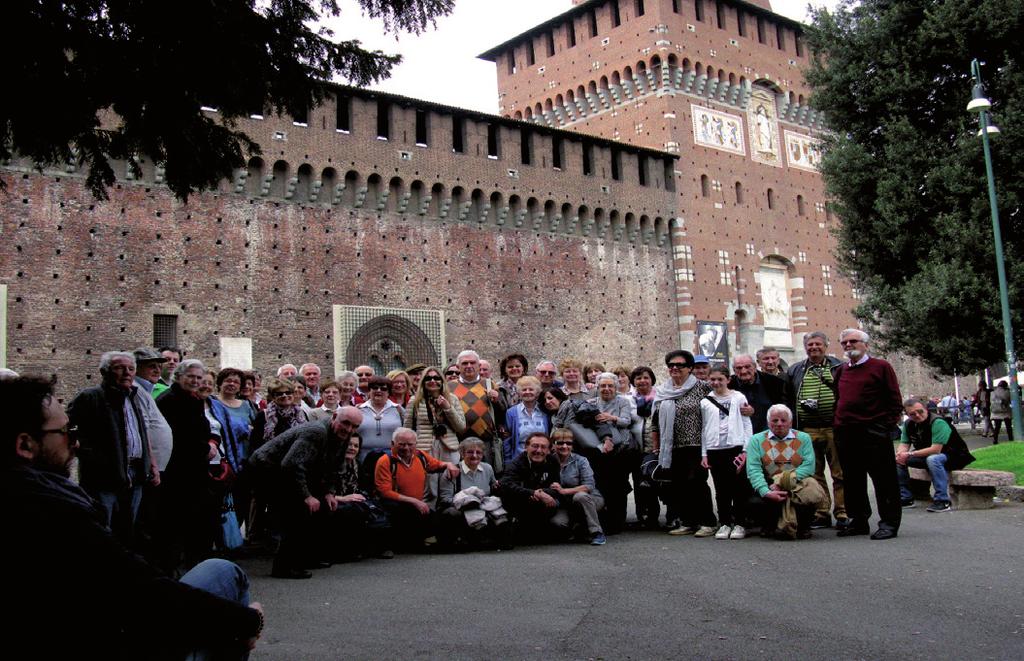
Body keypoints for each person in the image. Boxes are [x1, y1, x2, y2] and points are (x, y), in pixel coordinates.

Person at [3, 376, 265, 658]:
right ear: (25, 445)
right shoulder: (48, 508)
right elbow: (138, 587)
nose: (75, 443)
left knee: (217, 574)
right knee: (227, 576)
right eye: (67, 431)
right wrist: (247, 621)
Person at [249, 406, 363, 578]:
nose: (349, 429)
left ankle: (307, 558)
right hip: (267, 468)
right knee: (297, 512)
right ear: (334, 417)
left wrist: (329, 493)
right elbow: (291, 465)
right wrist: (307, 496)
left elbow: (334, 467)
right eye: (345, 423)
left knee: (323, 508)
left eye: (354, 426)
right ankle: (284, 567)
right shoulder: (316, 432)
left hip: (294, 470)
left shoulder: (343, 435)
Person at [68, 351, 158, 545]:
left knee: (127, 530)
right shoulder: (90, 397)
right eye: (119, 368)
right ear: (105, 372)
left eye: (131, 369)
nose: (127, 373)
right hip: (103, 477)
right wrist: (87, 452)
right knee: (101, 529)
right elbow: (69, 426)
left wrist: (150, 465)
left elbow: (141, 433)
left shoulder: (133, 397)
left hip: (135, 475)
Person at [833, 328, 904, 541]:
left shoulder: (881, 367)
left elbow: (894, 399)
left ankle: (889, 523)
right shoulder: (841, 370)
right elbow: (839, 398)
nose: (848, 346)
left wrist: (885, 426)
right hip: (846, 432)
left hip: (873, 432)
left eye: (853, 341)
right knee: (852, 480)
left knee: (884, 480)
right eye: (844, 343)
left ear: (865, 344)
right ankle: (859, 520)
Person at [651, 350, 717, 537]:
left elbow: (719, 406)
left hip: (696, 444)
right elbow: (655, 422)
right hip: (672, 446)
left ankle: (708, 522)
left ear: (690, 368)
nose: (674, 368)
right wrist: (657, 446)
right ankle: (688, 521)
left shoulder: (702, 387)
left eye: (679, 365)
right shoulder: (664, 390)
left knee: (697, 483)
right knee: (679, 485)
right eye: (671, 365)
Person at [786, 330, 848, 530]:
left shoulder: (839, 367)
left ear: (826, 345)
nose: (814, 348)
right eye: (810, 345)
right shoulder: (796, 370)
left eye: (817, 344)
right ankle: (822, 512)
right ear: (805, 348)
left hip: (834, 427)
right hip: (807, 429)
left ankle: (842, 512)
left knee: (839, 472)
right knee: (815, 472)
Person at [745, 404, 826, 540]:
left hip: (796, 483)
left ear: (791, 422)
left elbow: (808, 467)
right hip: (769, 485)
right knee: (754, 501)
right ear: (768, 422)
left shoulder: (803, 438)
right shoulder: (756, 440)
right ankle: (769, 525)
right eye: (775, 420)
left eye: (783, 420)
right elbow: (754, 470)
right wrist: (766, 492)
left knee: (811, 492)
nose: (779, 424)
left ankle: (803, 526)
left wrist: (782, 482)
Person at [373, 428, 460, 549]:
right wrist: (414, 501)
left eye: (410, 444)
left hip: (416, 505)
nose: (406, 448)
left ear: (415, 444)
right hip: (396, 506)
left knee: (444, 520)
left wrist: (449, 464)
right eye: (402, 444)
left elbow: (436, 464)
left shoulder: (419, 456)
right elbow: (384, 492)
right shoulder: (385, 461)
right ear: (392, 444)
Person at [701, 366, 753, 540]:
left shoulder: (738, 397)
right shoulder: (706, 401)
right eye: (713, 379)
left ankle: (739, 523)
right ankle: (724, 523)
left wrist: (746, 449)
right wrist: (704, 453)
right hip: (715, 449)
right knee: (721, 488)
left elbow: (747, 424)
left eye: (719, 379)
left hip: (735, 447)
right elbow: (704, 429)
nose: (716, 383)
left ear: (727, 380)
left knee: (738, 487)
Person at [896, 398, 976, 513]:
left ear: (926, 409)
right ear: (907, 414)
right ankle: (906, 497)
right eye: (912, 414)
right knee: (898, 460)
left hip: (954, 455)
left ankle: (942, 500)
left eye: (920, 411)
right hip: (928, 456)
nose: (917, 415)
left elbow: (935, 449)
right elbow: (904, 444)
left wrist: (910, 453)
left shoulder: (938, 422)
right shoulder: (909, 424)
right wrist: (900, 454)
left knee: (933, 459)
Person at [404, 365, 466, 503]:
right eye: (428, 378)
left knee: (448, 485)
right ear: (423, 382)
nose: (433, 381)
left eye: (436, 378)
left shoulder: (453, 399)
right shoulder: (415, 401)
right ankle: (429, 517)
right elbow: (407, 429)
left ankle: (448, 515)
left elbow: (461, 427)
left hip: (448, 447)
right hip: (425, 448)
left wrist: (447, 408)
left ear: (442, 381)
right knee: (429, 488)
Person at [438, 437, 510, 550]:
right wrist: (466, 502)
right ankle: (457, 541)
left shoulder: (487, 468)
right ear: (462, 454)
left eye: (479, 452)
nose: (475, 456)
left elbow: (492, 488)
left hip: (483, 508)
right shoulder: (453, 471)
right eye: (470, 452)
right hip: (461, 510)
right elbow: (445, 499)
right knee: (450, 513)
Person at [449, 350, 504, 473]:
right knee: (461, 477)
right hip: (458, 441)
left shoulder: (490, 384)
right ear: (458, 367)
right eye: (465, 363)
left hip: (485, 442)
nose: (469, 366)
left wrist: (496, 400)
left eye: (472, 363)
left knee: (485, 475)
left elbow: (502, 412)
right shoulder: (449, 387)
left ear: (479, 366)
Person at [499, 431, 563, 538]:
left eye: (543, 447)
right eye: (535, 446)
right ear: (526, 447)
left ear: (548, 450)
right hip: (522, 503)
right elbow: (506, 485)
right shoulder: (516, 463)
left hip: (545, 502)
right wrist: (533, 493)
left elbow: (556, 488)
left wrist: (540, 493)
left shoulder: (553, 461)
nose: (539, 450)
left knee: (560, 524)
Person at [549, 428, 607, 545]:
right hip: (564, 503)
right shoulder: (549, 461)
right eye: (560, 443)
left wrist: (564, 491)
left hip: (589, 499)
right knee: (558, 523)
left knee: (580, 496)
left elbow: (589, 485)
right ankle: (578, 526)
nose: (564, 446)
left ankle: (596, 532)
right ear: (553, 445)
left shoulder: (581, 461)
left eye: (568, 443)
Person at [629, 365, 661, 528]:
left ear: (652, 380)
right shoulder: (628, 399)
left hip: (655, 446)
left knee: (655, 480)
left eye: (646, 377)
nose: (642, 381)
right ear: (633, 381)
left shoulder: (660, 397)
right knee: (639, 483)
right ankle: (643, 515)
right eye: (638, 378)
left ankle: (656, 515)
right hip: (636, 448)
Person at [729, 354, 788, 434]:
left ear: (755, 366)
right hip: (738, 434)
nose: (744, 371)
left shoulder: (774, 383)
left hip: (767, 434)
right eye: (739, 368)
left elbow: (782, 409)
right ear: (734, 370)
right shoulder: (729, 384)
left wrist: (755, 411)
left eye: (747, 367)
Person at [356, 376, 405, 467]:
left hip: (392, 460)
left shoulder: (399, 410)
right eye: (375, 388)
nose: (379, 390)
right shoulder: (358, 409)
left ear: (388, 392)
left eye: (383, 388)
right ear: (369, 390)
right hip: (362, 460)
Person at [251, 378, 309, 453]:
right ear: (273, 397)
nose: (284, 395)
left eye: (288, 392)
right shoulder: (264, 415)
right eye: (279, 394)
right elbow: (255, 443)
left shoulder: (301, 414)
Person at [504, 375, 550, 464]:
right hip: (519, 460)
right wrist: (508, 461)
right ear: (519, 393)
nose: (527, 392)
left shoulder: (545, 411)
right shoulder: (511, 413)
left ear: (537, 392)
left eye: (531, 389)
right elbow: (507, 440)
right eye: (524, 390)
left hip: (542, 459)